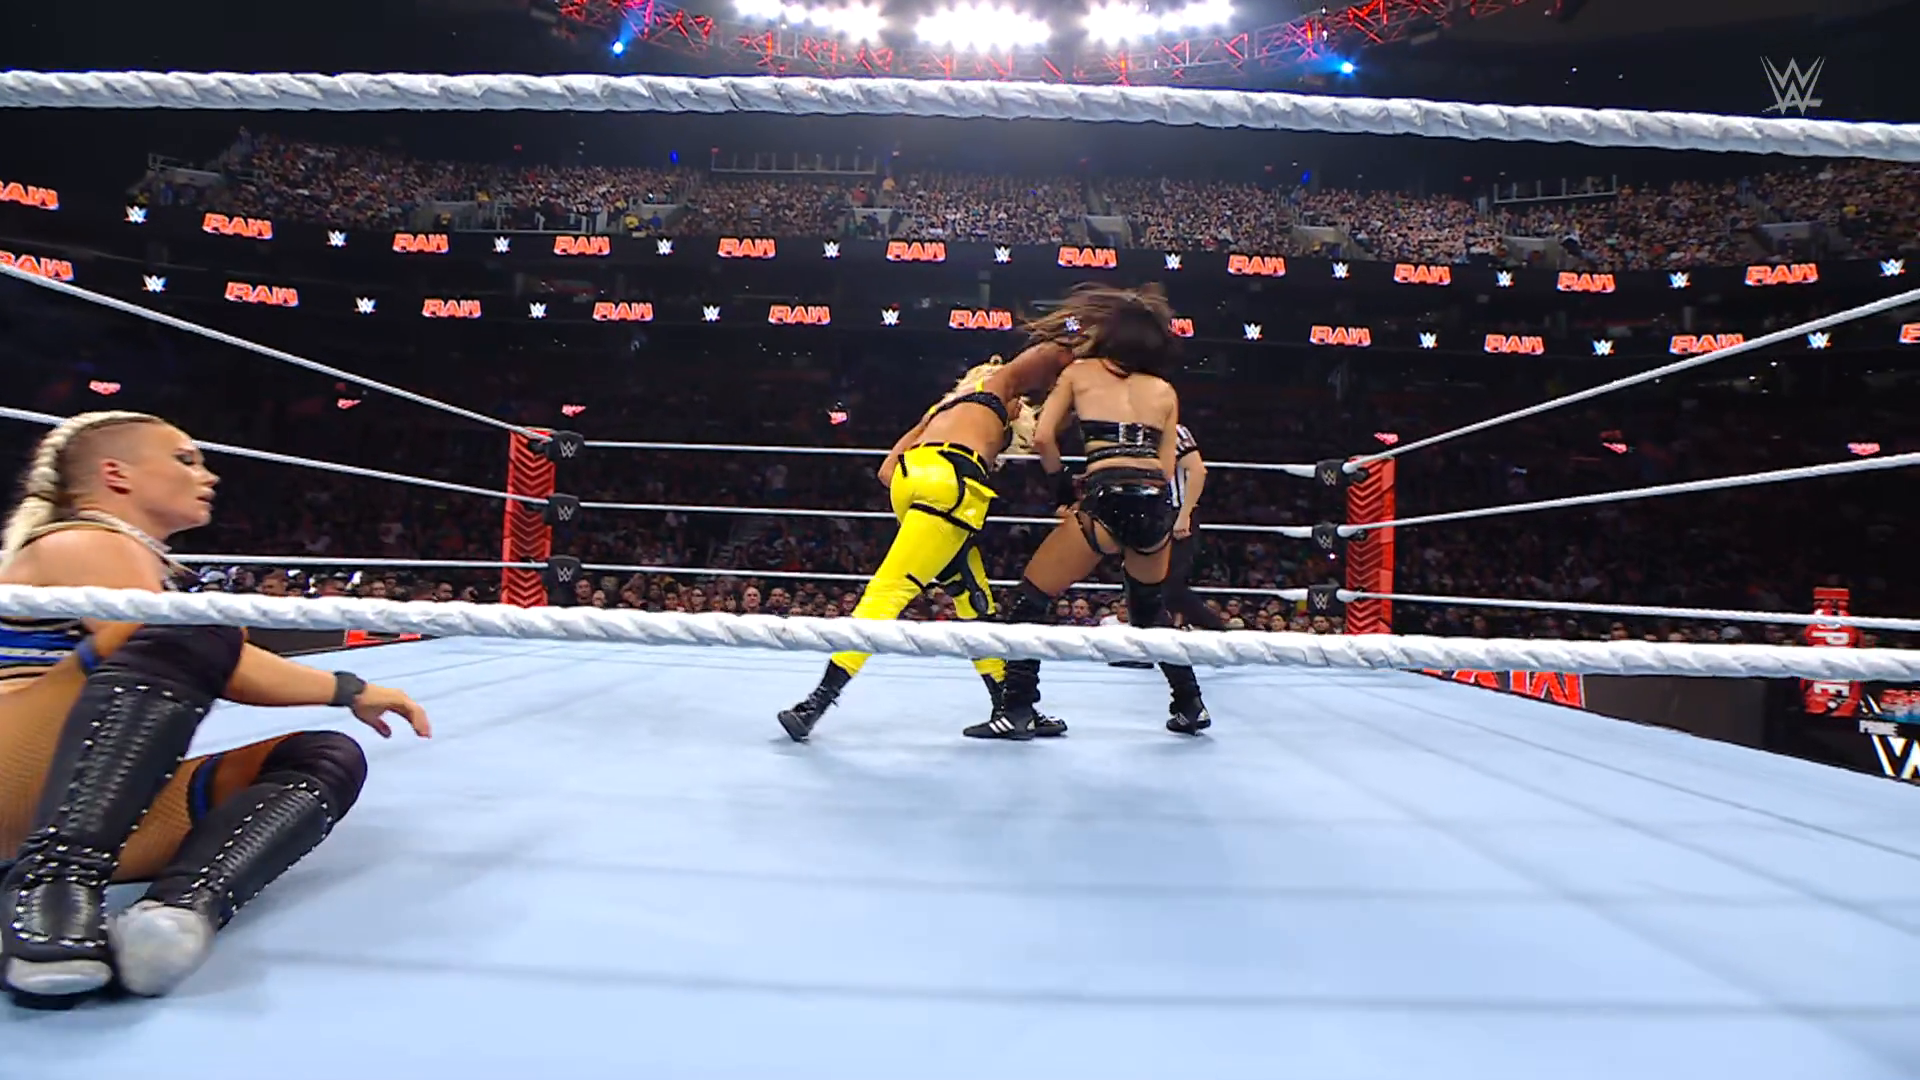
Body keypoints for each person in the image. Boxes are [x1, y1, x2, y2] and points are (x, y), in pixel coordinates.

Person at [0, 410, 429, 1004]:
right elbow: (201, 649)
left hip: (47, 801)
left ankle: (175, 915)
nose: (208, 475)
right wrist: (348, 688)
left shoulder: (131, 556)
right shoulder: (80, 540)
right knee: (190, 625)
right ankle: (52, 888)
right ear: (116, 474)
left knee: (323, 757)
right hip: (14, 771)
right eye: (184, 459)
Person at [777, 349, 1071, 741]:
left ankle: (1013, 709)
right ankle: (814, 704)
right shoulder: (998, 391)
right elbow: (1040, 358)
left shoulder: (938, 411)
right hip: (949, 486)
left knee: (974, 601)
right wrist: (1079, 352)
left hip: (908, 485)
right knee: (887, 594)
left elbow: (885, 471)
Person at [969, 285, 1212, 740]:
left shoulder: (1080, 372)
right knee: (1148, 610)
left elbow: (1043, 438)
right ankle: (1190, 704)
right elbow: (1164, 469)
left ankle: (1017, 710)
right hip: (1154, 505)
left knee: (1030, 600)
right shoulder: (1164, 390)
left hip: (1107, 502)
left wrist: (1064, 484)